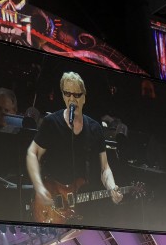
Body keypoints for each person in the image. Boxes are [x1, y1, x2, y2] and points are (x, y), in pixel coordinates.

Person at [26, 71, 122, 224]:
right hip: (53, 193)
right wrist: (38, 187)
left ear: (84, 97)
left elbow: (105, 168)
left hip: (81, 198)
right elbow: (32, 153)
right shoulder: (51, 122)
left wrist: (111, 187)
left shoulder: (94, 128)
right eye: (67, 94)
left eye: (76, 95)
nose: (72, 99)